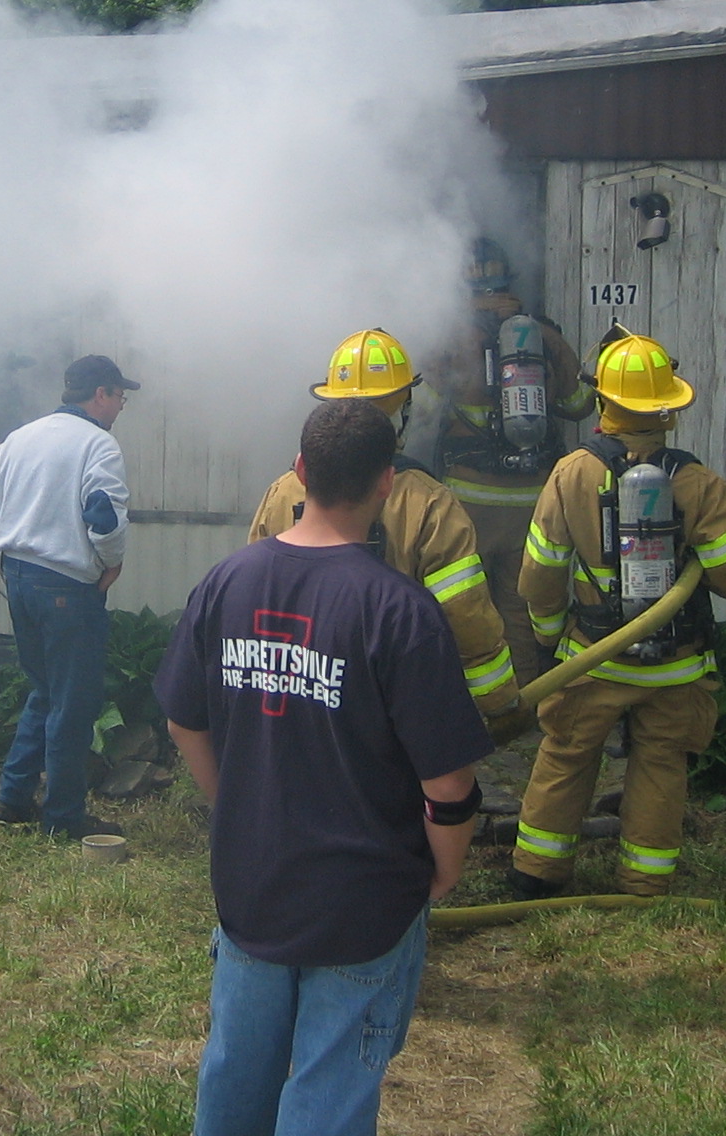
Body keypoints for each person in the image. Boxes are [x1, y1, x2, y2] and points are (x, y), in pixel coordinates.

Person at [156, 398, 491, 1136]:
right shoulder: (400, 612)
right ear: (388, 483)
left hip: (252, 892)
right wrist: (444, 871)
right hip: (364, 908)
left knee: (236, 1082)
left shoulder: (226, 583)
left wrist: (232, 805)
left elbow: (185, 721)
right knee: (329, 1095)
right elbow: (448, 784)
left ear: (300, 473)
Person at [510, 327, 726, 899]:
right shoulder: (698, 484)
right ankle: (645, 882)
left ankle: (537, 874)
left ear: (603, 403)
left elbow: (540, 576)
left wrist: (553, 641)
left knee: (568, 755)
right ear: (668, 408)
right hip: (675, 666)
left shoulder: (572, 474)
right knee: (661, 764)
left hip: (594, 661)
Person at [250, 328, 524, 733]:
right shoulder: (428, 501)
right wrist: (501, 704)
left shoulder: (283, 490)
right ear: (404, 410)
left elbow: (258, 597)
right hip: (393, 704)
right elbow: (465, 614)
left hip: (300, 692)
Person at [0, 353, 136, 840]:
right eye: (120, 395)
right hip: (66, 585)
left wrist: (9, 551)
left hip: (19, 579)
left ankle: (13, 796)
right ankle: (63, 818)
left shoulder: (20, 438)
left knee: (44, 691)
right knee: (75, 702)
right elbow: (103, 515)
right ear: (100, 395)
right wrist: (112, 561)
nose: (122, 404)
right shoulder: (98, 446)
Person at [431, 241, 590, 673]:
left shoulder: (451, 339)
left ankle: (472, 703)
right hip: (530, 500)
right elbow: (579, 406)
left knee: (467, 606)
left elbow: (421, 412)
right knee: (519, 608)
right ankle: (520, 702)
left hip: (470, 501)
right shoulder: (544, 337)